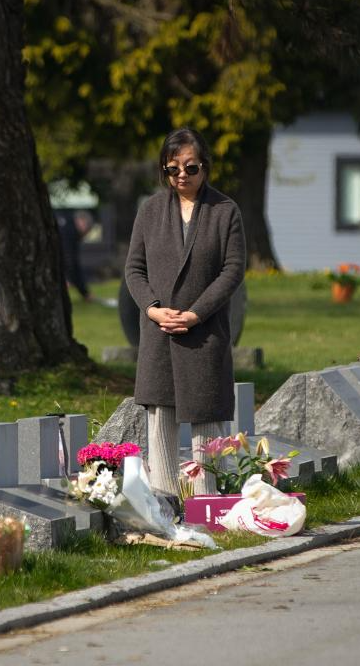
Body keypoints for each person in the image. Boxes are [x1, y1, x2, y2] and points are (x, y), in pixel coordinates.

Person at [124, 128, 246, 502]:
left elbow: (232, 270)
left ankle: (206, 504)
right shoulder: (150, 211)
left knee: (206, 418)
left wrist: (195, 314)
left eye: (191, 168)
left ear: (205, 167)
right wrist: (152, 309)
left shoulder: (225, 211)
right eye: (172, 168)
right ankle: (164, 505)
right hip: (159, 331)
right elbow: (134, 269)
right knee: (160, 417)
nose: (181, 175)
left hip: (203, 332)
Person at [57, 209, 95, 301]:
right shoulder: (69, 231)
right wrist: (66, 278)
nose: (84, 235)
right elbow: (69, 260)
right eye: (87, 229)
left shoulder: (66, 225)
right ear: (82, 222)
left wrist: (84, 292)